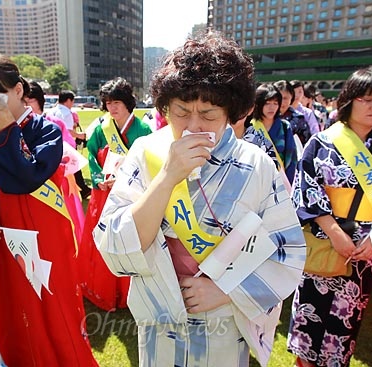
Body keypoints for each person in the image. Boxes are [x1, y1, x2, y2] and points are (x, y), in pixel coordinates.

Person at [93, 33, 305, 367]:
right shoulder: (147, 153)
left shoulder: (257, 165)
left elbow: (287, 249)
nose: (193, 126)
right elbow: (114, 242)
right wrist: (167, 177)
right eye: (181, 112)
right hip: (160, 311)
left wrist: (227, 290)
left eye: (208, 115)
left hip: (222, 317)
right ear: (165, 107)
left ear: (232, 112)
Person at [0, 53, 98, 367]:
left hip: (42, 240)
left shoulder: (46, 131)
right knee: (10, 301)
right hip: (1, 237)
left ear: (18, 91)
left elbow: (26, 176)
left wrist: (7, 129)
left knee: (49, 302)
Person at [287, 65, 372, 367]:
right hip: (323, 244)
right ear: (350, 99)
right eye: (368, 99)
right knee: (308, 325)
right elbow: (306, 190)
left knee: (344, 327)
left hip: (364, 253)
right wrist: (334, 231)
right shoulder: (321, 143)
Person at [78, 76, 152, 311]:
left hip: (131, 195)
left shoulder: (143, 129)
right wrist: (98, 178)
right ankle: (102, 287)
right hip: (103, 193)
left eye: (117, 102)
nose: (112, 108)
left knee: (128, 238)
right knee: (102, 238)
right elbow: (91, 155)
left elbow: (147, 162)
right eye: (108, 103)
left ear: (128, 102)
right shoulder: (102, 128)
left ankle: (129, 291)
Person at [25, 81, 85, 240]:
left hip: (58, 182)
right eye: (21, 101)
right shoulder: (16, 127)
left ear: (39, 101)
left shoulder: (54, 123)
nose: (25, 105)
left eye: (29, 101)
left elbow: (69, 148)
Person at [47, 89, 92, 199]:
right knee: (74, 167)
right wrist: (80, 135)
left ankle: (82, 189)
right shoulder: (67, 113)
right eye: (72, 101)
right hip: (66, 145)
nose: (72, 104)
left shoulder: (51, 111)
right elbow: (68, 130)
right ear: (68, 100)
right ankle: (83, 189)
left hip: (53, 144)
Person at [250, 83, 298, 185]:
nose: (272, 107)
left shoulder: (285, 127)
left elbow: (291, 160)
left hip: (280, 182)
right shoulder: (250, 127)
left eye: (275, 103)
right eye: (267, 103)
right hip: (255, 182)